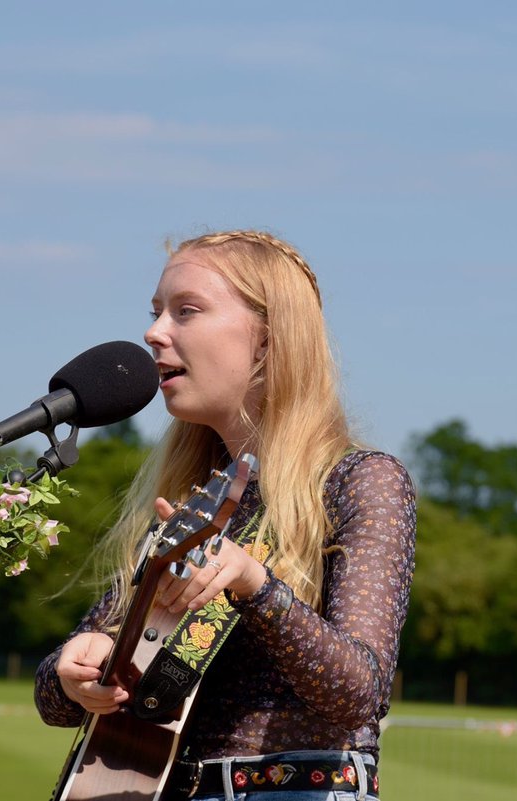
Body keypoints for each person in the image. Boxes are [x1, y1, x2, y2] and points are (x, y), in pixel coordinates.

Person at [34, 229, 416, 801]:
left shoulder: (359, 480)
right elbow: (56, 695)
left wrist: (254, 584)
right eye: (157, 312)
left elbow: (361, 694)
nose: (154, 332)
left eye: (186, 311)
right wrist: (73, 674)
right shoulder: (191, 503)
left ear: (267, 340)